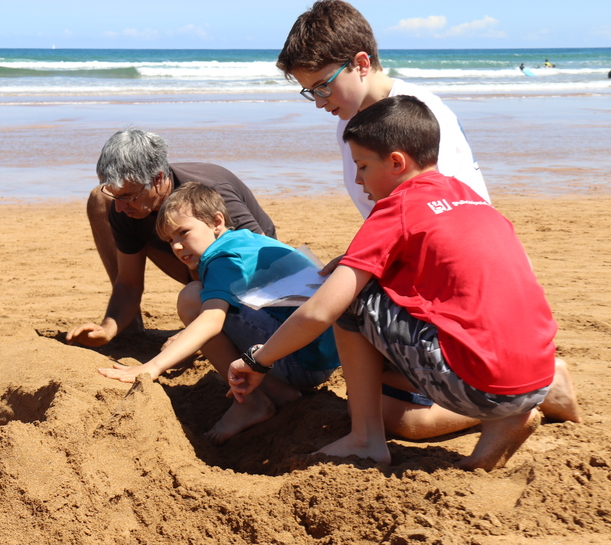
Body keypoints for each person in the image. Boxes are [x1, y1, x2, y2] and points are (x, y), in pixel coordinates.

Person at [227, 96, 580, 471]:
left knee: (352, 297)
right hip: (536, 371)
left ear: (397, 162)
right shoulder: (469, 196)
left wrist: (258, 360)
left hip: (478, 387)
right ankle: (516, 410)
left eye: (362, 166)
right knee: (381, 295)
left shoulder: (397, 207)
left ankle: (365, 439)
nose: (358, 179)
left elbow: (319, 312)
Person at [97, 182, 339, 443]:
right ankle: (279, 391)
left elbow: (212, 320)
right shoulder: (244, 241)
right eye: (170, 240)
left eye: (183, 233)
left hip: (301, 362)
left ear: (216, 221)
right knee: (208, 299)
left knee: (192, 298)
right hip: (321, 356)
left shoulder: (222, 258)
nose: (176, 246)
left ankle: (251, 402)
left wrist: (152, 367)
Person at [276, 0, 491, 219]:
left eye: (323, 87)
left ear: (361, 64)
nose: (319, 102)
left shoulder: (421, 114)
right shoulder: (348, 125)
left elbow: (456, 211)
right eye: (311, 92)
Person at [67, 129, 276, 347]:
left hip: (247, 272)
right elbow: (128, 284)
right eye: (116, 196)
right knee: (100, 199)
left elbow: (264, 266)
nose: (119, 207)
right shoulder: (125, 208)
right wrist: (107, 329)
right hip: (195, 266)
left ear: (158, 178)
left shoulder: (211, 191)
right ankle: (129, 325)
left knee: (198, 289)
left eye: (128, 196)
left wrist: (197, 331)